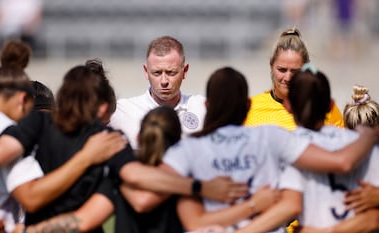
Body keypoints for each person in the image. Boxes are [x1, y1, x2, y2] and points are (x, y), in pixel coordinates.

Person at [0, 65, 243, 233]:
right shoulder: (107, 141)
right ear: (101, 108)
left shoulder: (35, 123)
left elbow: (5, 166)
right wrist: (198, 187)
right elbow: (133, 183)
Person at [161, 66, 377, 232]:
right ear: (247, 105)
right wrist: (368, 136)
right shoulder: (272, 138)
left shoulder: (185, 150)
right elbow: (339, 163)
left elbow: (192, 220)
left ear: (206, 106)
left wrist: (199, 187)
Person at [231, 64, 379, 233]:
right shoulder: (363, 145)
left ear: (287, 106)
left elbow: (291, 206)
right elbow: (374, 218)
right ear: (331, 105)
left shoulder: (289, 146)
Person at [109, 35, 206, 149]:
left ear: (184, 71)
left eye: (171, 72)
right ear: (146, 71)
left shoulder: (202, 108)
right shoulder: (121, 112)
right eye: (157, 73)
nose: (164, 81)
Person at [244, 28, 343, 130]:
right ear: (271, 66)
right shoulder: (249, 108)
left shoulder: (324, 108)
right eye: (282, 70)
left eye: (295, 71)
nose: (288, 78)